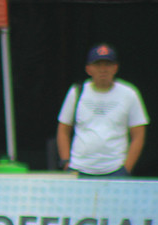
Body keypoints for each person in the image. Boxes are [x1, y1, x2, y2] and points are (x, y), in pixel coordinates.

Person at [56, 43, 148, 178]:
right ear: (88, 69)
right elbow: (63, 129)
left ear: (115, 68)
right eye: (98, 65)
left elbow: (138, 134)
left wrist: (126, 168)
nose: (103, 70)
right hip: (79, 169)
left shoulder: (129, 94)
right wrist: (66, 162)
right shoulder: (76, 92)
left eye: (108, 65)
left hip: (115, 170)